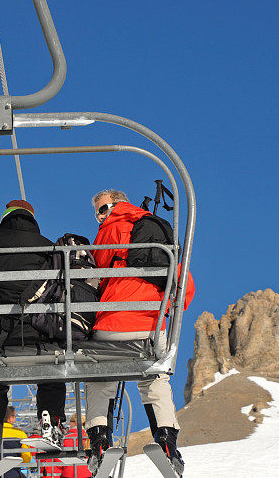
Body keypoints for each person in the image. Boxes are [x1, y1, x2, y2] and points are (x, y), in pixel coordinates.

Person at [85, 190, 193, 475]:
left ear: (113, 206)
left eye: (101, 209)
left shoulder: (109, 231)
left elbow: (96, 271)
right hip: (151, 323)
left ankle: (99, 443)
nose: (99, 216)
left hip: (112, 321)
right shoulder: (156, 228)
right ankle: (168, 443)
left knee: (100, 379)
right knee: (155, 379)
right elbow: (185, 283)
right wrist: (166, 309)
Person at [0, 200, 68, 476]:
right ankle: (51, 419)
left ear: (4, 217)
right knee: (52, 370)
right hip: (39, 333)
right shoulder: (48, 247)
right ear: (32, 218)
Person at [1, 406, 32, 478]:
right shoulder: (20, 434)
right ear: (10, 418)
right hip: (12, 473)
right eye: (14, 416)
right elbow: (26, 458)